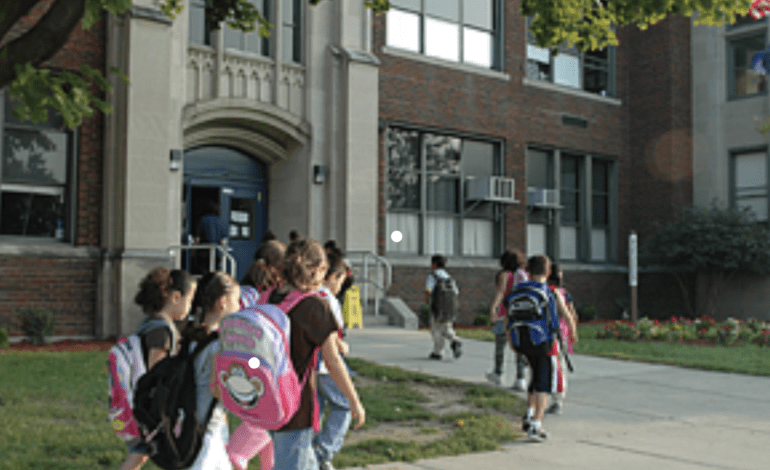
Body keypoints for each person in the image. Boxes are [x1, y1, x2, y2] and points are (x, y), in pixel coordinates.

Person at [268, 238, 365, 470]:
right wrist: (354, 401)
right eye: (322, 271)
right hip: (296, 407)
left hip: (269, 399)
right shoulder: (314, 307)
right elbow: (333, 362)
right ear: (315, 270)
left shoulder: (271, 297)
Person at [120, 268, 197, 470]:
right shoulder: (161, 331)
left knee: (143, 454)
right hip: (152, 405)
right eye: (190, 299)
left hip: (144, 402)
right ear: (176, 297)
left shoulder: (151, 324)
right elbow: (157, 371)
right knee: (150, 453)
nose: (190, 306)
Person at [228, 240, 287, 470]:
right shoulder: (269, 301)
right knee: (265, 449)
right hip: (269, 377)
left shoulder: (244, 295)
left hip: (253, 373)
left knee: (236, 453)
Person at [512, 255, 577, 441]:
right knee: (544, 384)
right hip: (546, 344)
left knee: (534, 378)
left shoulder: (518, 290)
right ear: (548, 273)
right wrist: (572, 333)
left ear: (528, 272)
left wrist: (513, 342)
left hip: (525, 342)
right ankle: (536, 425)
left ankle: (529, 412)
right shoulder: (551, 292)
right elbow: (567, 315)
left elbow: (509, 318)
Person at [185, 272, 241, 470]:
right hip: (207, 425)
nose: (239, 306)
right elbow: (216, 388)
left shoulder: (191, 335)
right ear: (222, 302)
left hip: (191, 418)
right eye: (237, 300)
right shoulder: (219, 343)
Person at [313, 247, 353, 470]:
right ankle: (324, 452)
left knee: (316, 407)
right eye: (340, 279)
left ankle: (310, 448)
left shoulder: (308, 294)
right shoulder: (329, 299)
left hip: (309, 364)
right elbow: (333, 336)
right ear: (331, 276)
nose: (340, 286)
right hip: (327, 364)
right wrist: (342, 346)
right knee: (343, 405)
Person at [486, 250, 529, 390]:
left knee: (500, 346)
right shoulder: (523, 275)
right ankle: (521, 379)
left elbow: (500, 292)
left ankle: (498, 374)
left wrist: (493, 309)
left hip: (505, 315)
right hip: (521, 315)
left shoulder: (505, 275)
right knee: (520, 348)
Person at [545, 264, 578, 415]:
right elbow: (570, 314)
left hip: (541, 335)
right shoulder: (561, 294)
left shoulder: (540, 291)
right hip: (558, 334)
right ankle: (557, 399)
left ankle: (536, 402)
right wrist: (573, 331)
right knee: (558, 367)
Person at [425, 255, 462, 360]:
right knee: (446, 327)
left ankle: (438, 352)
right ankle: (455, 340)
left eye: (431, 264)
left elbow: (429, 290)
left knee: (436, 329)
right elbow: (456, 292)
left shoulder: (432, 276)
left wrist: (426, 300)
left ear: (435, 264)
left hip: (437, 307)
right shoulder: (449, 278)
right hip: (450, 307)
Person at [195, 201, 229, 272]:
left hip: (204, 252)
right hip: (217, 252)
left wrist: (193, 250)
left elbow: (197, 238)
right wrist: (223, 254)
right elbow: (223, 241)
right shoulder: (220, 221)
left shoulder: (203, 220)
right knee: (215, 272)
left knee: (204, 272)